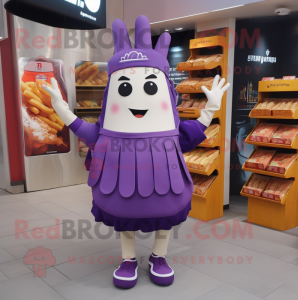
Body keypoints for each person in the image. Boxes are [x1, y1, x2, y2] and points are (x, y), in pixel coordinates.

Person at [43, 15, 230, 289]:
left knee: (164, 216)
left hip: (165, 182)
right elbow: (87, 131)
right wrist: (61, 108)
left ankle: (159, 256)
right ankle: (128, 259)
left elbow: (187, 137)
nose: (137, 99)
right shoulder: (107, 132)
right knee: (125, 216)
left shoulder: (170, 130)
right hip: (120, 181)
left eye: (151, 87)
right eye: (126, 88)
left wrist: (210, 109)